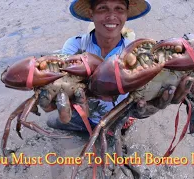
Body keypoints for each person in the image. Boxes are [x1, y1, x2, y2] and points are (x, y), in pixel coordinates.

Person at [46, 0, 161, 132]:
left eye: (119, 9)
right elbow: (59, 77)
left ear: (126, 14)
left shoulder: (137, 52)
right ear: (91, 13)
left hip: (116, 120)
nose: (111, 16)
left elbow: (146, 93)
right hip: (81, 115)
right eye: (102, 8)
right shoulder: (75, 45)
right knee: (51, 122)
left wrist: (149, 108)